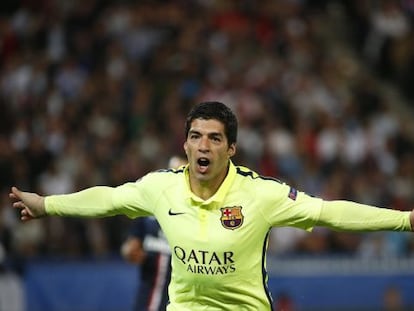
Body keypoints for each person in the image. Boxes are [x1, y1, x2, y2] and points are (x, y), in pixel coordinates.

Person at [9, 101, 414, 311]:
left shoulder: (261, 195)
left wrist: (405, 220)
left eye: (215, 138)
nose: (203, 145)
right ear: (184, 144)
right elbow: (109, 199)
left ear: (231, 149)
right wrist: (47, 204)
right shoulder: (160, 188)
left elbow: (330, 213)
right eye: (196, 136)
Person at [121, 156, 186, 311]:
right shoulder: (149, 211)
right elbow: (130, 246)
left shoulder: (196, 213)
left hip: (181, 299)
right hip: (149, 295)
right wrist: (130, 252)